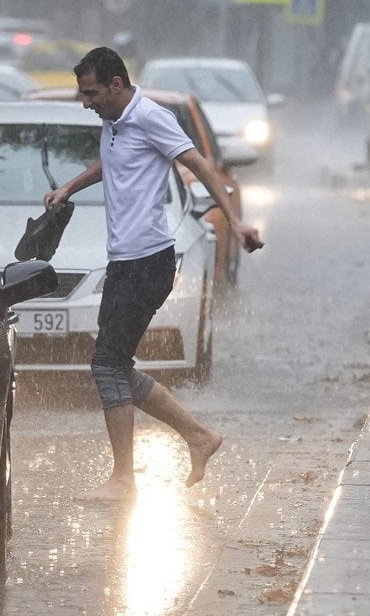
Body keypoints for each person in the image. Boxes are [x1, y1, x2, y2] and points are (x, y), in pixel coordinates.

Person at [43, 46, 264, 501]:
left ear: (117, 86)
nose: (87, 103)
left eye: (92, 93)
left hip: (148, 262)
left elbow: (199, 164)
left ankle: (124, 479)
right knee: (116, 365)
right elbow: (113, 162)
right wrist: (71, 185)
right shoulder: (114, 120)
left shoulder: (151, 117)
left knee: (106, 364)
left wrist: (235, 222)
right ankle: (199, 436)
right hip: (126, 261)